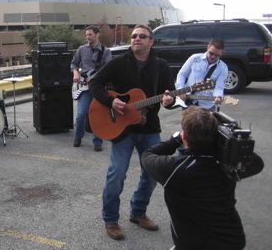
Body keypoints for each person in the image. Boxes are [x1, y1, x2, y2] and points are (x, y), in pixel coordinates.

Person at [88, 24, 175, 240]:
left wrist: (169, 100)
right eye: (134, 36)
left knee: (152, 174)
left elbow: (169, 94)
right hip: (122, 129)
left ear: (151, 42)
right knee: (116, 174)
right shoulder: (119, 62)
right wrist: (111, 100)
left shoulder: (161, 66)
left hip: (149, 127)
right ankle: (110, 219)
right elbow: (95, 83)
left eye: (142, 36)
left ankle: (138, 212)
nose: (136, 39)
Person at [141, 106, 264, 250]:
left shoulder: (174, 170)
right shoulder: (230, 164)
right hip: (231, 240)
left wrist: (175, 140)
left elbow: (147, 156)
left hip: (192, 244)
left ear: (185, 136)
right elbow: (257, 163)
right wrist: (233, 140)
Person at [70, 25, 112, 151]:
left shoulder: (106, 52)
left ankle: (98, 142)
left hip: (98, 88)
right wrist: (76, 73)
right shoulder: (82, 49)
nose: (88, 37)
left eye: (90, 35)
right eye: (86, 35)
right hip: (84, 87)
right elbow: (73, 63)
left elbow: (109, 69)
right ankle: (78, 136)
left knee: (98, 115)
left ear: (97, 35)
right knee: (81, 114)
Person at [176, 38, 228, 110]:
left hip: (207, 106)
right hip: (188, 103)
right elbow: (182, 74)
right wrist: (180, 89)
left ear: (222, 53)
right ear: (207, 47)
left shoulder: (223, 68)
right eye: (211, 53)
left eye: (217, 55)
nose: (213, 56)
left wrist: (218, 97)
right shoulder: (194, 58)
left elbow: (219, 87)